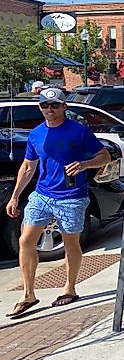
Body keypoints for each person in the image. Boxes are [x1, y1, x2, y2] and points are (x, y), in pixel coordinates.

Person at [5, 88, 112, 318]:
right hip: (42, 195)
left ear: (64, 106)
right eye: (45, 105)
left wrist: (84, 165)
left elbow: (105, 156)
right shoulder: (36, 134)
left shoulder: (78, 131)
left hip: (71, 197)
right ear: (40, 107)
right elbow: (28, 166)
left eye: (54, 105)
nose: (49, 109)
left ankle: (69, 288)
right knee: (25, 240)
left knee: (70, 243)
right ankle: (28, 294)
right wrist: (15, 196)